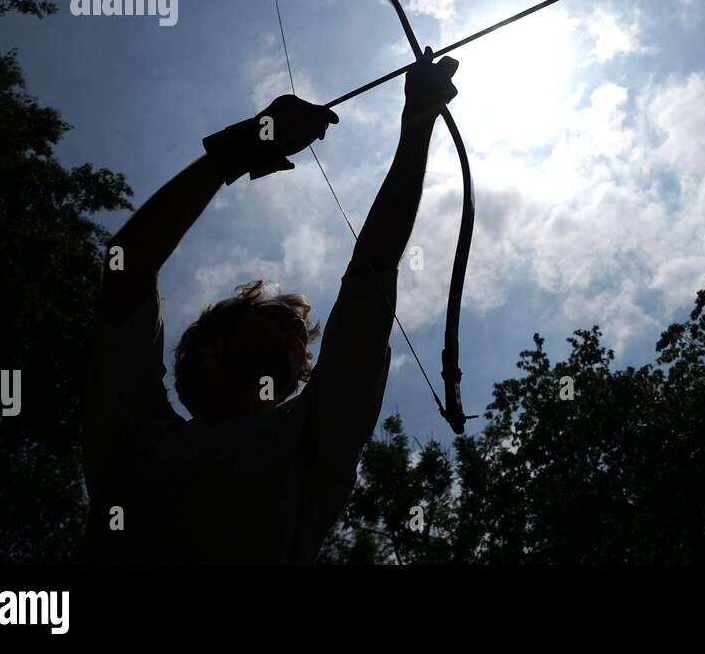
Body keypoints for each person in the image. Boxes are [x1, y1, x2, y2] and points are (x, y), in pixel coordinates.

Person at [79, 49, 460, 563]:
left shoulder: (314, 437)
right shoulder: (136, 434)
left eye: (300, 336)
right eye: (275, 322)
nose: (296, 335)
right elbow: (124, 269)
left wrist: (417, 126)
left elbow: (368, 284)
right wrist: (237, 150)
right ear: (211, 348)